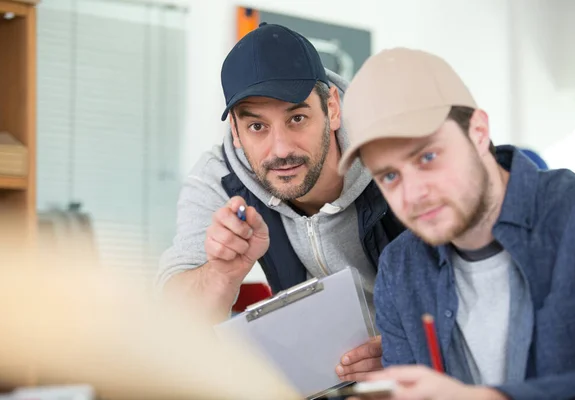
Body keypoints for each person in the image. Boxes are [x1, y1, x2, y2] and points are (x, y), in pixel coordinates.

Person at [156, 23, 404, 380]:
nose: (281, 149)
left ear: (332, 108)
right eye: (257, 127)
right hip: (327, 381)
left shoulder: (394, 150)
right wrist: (221, 275)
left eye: (297, 118)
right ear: (236, 132)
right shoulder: (219, 179)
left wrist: (405, 350)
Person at [337, 47, 575, 400]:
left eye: (427, 157)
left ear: (479, 132)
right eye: (390, 175)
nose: (414, 194)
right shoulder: (399, 269)